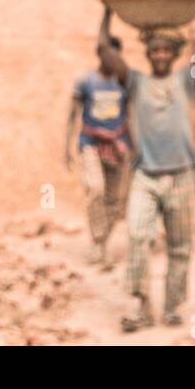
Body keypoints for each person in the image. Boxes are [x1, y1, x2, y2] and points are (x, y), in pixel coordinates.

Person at [98, 6, 195, 330]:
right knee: (137, 236)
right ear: (148, 54)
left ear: (175, 53)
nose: (161, 54)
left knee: (180, 246)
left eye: (166, 49)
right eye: (155, 50)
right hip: (145, 176)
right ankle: (141, 305)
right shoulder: (135, 81)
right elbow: (105, 51)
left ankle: (172, 307)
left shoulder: (186, 80)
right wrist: (108, 13)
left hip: (181, 175)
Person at [65, 34, 133, 267]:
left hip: (117, 147)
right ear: (101, 55)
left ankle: (102, 245)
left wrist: (131, 147)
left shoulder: (124, 83)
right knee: (95, 189)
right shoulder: (86, 81)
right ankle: (98, 242)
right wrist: (66, 147)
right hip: (91, 145)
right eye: (108, 55)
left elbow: (130, 116)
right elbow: (72, 115)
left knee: (114, 200)